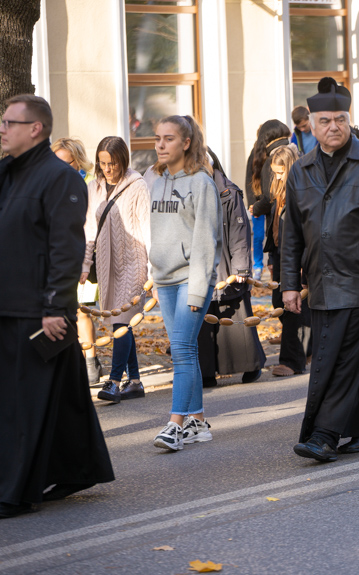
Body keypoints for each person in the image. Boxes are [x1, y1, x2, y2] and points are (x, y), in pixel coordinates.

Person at [0, 94, 114, 518]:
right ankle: (76, 467)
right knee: (62, 397)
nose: (2, 129)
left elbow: (65, 249)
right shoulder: (8, 174)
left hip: (37, 312)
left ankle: (13, 492)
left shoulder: (59, 178)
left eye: (10, 122)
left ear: (36, 129)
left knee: (20, 403)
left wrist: (54, 307)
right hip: (9, 306)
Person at [281, 77, 359, 462]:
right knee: (354, 357)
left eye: (340, 119)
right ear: (311, 125)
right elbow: (292, 233)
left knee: (338, 357)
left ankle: (324, 434)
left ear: (350, 121)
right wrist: (288, 284)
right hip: (318, 282)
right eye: (324, 121)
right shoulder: (300, 170)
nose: (333, 127)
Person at [149, 115, 222, 451]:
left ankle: (175, 424)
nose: (160, 145)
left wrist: (198, 288)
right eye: (158, 138)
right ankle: (197, 421)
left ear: (186, 142)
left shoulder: (201, 183)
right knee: (186, 350)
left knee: (179, 349)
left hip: (191, 279)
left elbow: (207, 240)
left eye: (169, 139)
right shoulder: (154, 178)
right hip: (163, 279)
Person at [82, 137, 151, 403]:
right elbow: (89, 229)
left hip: (134, 262)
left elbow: (147, 228)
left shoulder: (138, 186)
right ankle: (135, 382)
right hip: (107, 264)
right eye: (103, 163)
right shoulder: (94, 187)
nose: (108, 168)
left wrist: (152, 269)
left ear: (123, 160)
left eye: (113, 162)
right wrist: (86, 264)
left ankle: (114, 382)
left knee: (123, 321)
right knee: (120, 322)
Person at [197, 147, 266, 387]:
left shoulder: (229, 192)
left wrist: (240, 269)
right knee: (205, 320)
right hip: (202, 265)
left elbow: (239, 233)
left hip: (227, 266)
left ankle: (251, 366)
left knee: (235, 317)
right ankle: (207, 372)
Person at [52, 137, 103, 385]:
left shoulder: (90, 186)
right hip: (57, 260)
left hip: (85, 258)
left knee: (83, 312)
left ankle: (91, 361)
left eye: (64, 162)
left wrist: (85, 262)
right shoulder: (49, 186)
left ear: (77, 162)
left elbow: (90, 227)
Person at [264, 144, 309, 377]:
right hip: (281, 255)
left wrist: (302, 264)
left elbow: (301, 231)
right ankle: (304, 352)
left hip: (297, 257)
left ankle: (293, 360)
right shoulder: (279, 190)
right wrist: (271, 255)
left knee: (294, 309)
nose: (277, 176)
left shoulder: (300, 191)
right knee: (280, 304)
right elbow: (275, 226)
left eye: (280, 171)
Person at [245, 120, 292, 280]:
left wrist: (258, 207)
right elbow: (250, 181)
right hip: (264, 210)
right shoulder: (261, 155)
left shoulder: (282, 156)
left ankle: (262, 265)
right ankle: (259, 266)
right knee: (258, 237)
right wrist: (253, 205)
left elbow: (270, 197)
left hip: (276, 219)